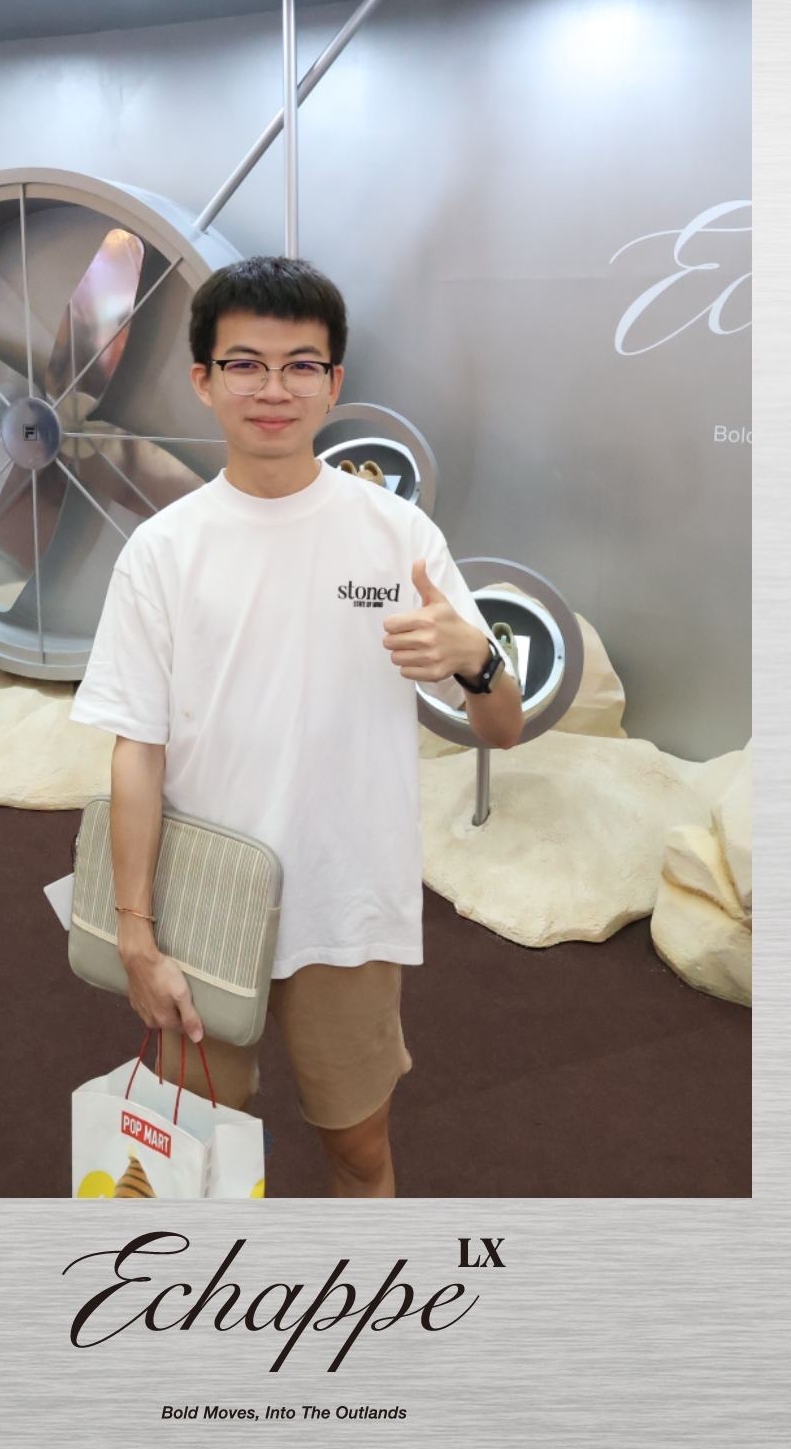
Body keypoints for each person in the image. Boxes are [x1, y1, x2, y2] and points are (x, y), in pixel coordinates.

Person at [69, 256, 524, 1196]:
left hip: (348, 903)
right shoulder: (162, 551)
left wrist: (475, 658)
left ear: (334, 382)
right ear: (204, 380)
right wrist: (135, 934)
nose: (273, 389)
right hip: (200, 907)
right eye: (245, 364)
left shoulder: (400, 538)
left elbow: (503, 727)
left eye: (300, 366)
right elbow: (136, 752)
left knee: (360, 1151)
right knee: (190, 1161)